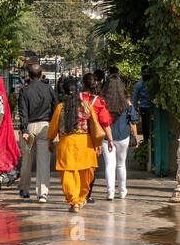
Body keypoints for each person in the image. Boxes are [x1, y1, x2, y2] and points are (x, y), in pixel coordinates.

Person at [48, 77, 105, 212]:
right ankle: (80, 198)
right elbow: (94, 126)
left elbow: (53, 128)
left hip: (67, 145)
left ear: (64, 92)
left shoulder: (60, 108)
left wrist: (50, 140)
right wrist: (97, 144)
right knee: (85, 174)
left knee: (68, 174)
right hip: (85, 145)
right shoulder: (86, 105)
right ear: (79, 90)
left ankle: (74, 202)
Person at [15, 62, 57, 202]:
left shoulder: (24, 91)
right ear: (41, 75)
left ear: (28, 75)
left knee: (27, 160)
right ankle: (42, 193)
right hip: (45, 128)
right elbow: (55, 108)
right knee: (44, 161)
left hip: (30, 131)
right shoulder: (48, 89)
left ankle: (25, 191)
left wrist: (24, 130)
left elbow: (22, 112)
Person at [100, 69, 137, 199]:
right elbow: (133, 120)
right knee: (121, 164)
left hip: (106, 137)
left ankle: (110, 191)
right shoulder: (127, 103)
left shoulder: (102, 103)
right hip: (123, 136)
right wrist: (136, 137)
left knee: (109, 164)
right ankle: (122, 191)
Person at [82, 71, 114, 202]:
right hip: (92, 139)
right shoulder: (99, 101)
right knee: (91, 167)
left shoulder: (78, 98)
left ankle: (78, 192)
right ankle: (87, 194)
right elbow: (105, 123)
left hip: (77, 136)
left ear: (83, 84)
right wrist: (110, 140)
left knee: (79, 166)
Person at [132, 66, 155, 172]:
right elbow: (135, 99)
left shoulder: (153, 83)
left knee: (153, 129)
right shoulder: (139, 84)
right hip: (144, 109)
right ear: (141, 73)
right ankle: (147, 148)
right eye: (144, 72)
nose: (145, 74)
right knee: (146, 130)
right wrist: (134, 112)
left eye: (147, 72)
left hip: (153, 108)